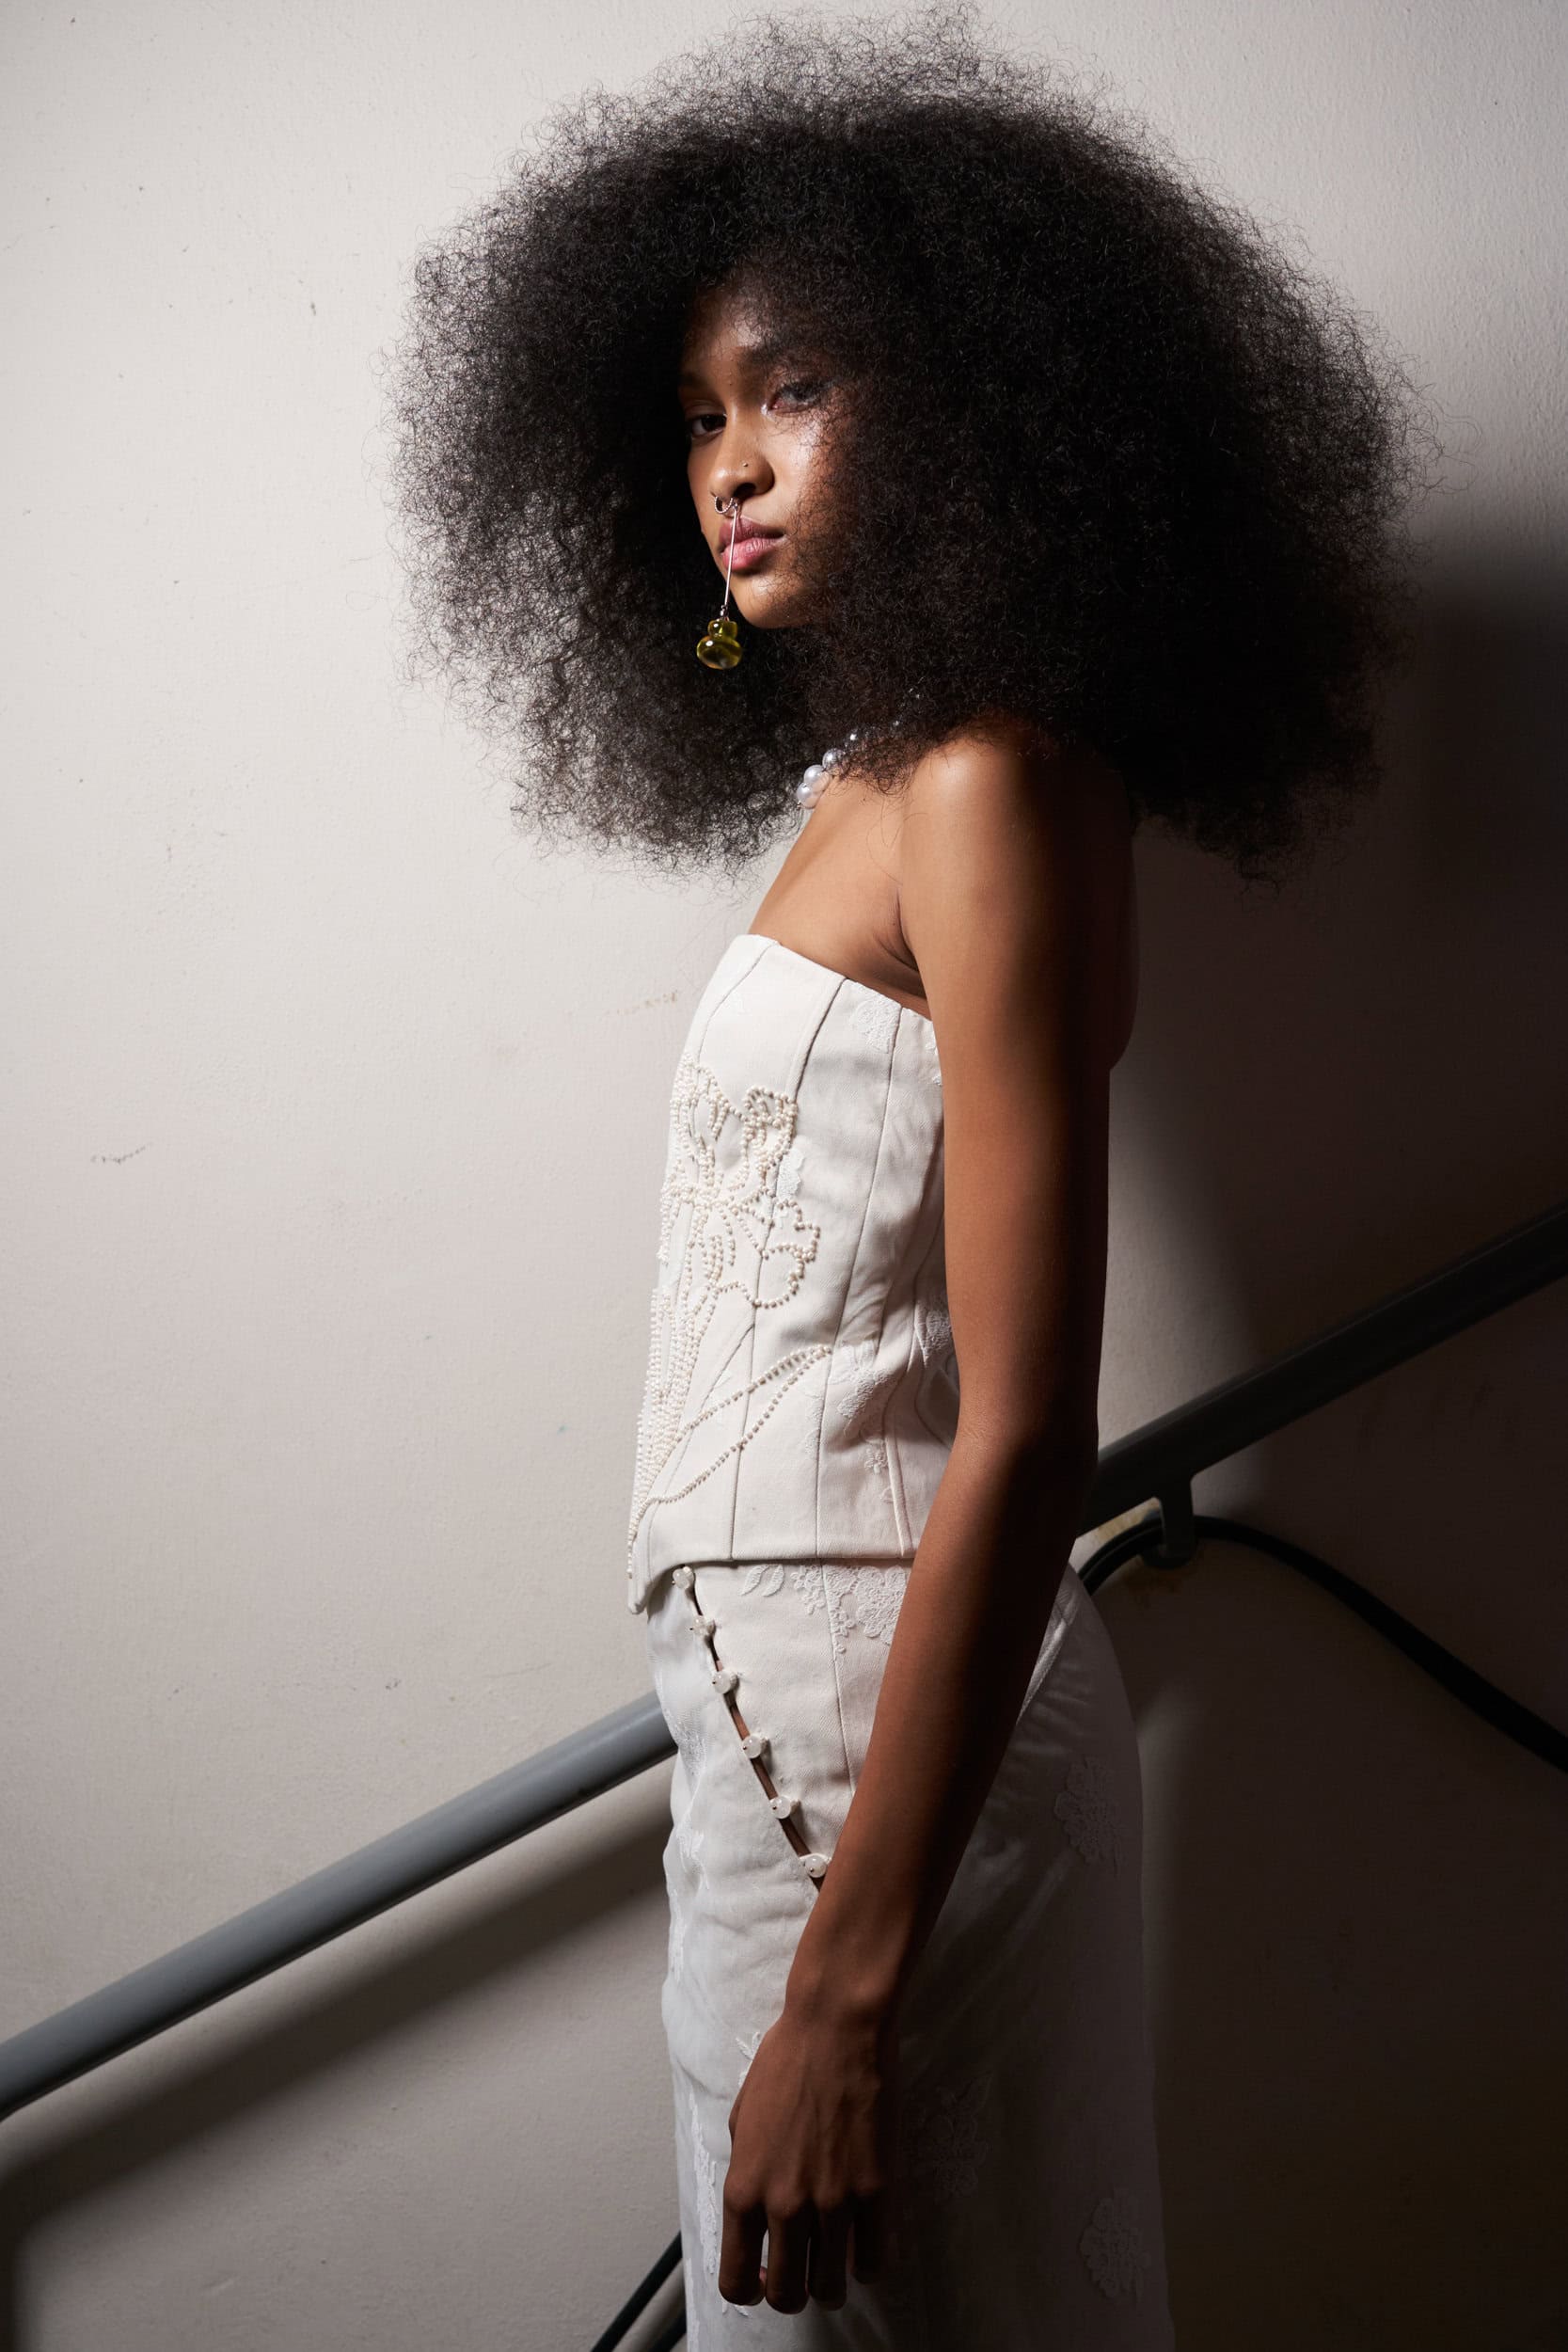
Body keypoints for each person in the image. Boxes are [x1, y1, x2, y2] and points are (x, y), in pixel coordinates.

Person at [385, 9, 1441, 2340]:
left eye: (795, 387)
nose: (732, 465)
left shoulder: (987, 780)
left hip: (865, 1729)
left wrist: (848, 1995)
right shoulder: (878, 777)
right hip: (784, 1713)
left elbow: (1033, 1422)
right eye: (698, 414)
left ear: (968, 408)